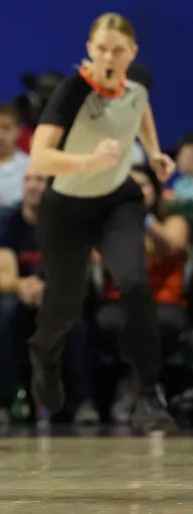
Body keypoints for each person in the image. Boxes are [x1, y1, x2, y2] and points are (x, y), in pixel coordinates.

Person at [27, 12, 176, 434]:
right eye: (101, 48)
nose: (109, 56)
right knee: (66, 306)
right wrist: (89, 161)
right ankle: (44, 354)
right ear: (89, 50)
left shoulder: (139, 81)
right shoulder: (72, 91)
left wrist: (153, 151)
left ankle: (148, 392)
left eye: (118, 50)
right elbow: (40, 157)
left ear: (132, 53)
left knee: (134, 282)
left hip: (117, 202)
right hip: (66, 209)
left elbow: (140, 109)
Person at [0, 168, 98, 426]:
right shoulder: (7, 223)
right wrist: (23, 285)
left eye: (40, 180)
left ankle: (82, 402)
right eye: (28, 179)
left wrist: (49, 290)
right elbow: (4, 278)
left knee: (74, 319)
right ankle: (1, 404)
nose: (33, 185)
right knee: (5, 311)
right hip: (19, 294)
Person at [95, 165, 190, 422]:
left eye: (143, 186)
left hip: (163, 301)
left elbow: (171, 246)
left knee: (157, 323)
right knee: (114, 321)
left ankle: (135, 387)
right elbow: (97, 258)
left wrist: (144, 219)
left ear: (156, 191)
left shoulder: (174, 221)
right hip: (119, 301)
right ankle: (146, 389)